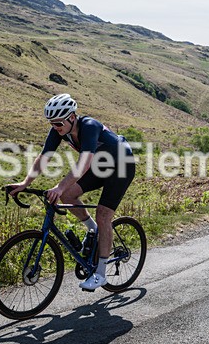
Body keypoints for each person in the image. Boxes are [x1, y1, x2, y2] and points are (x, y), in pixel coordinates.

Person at [7, 93, 135, 291]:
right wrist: (25, 182)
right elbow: (44, 157)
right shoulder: (58, 131)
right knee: (68, 195)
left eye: (58, 123)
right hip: (101, 166)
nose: (55, 127)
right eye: (51, 123)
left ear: (72, 117)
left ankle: (100, 274)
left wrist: (58, 186)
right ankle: (93, 229)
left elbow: (83, 164)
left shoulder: (89, 126)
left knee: (103, 215)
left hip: (122, 166)